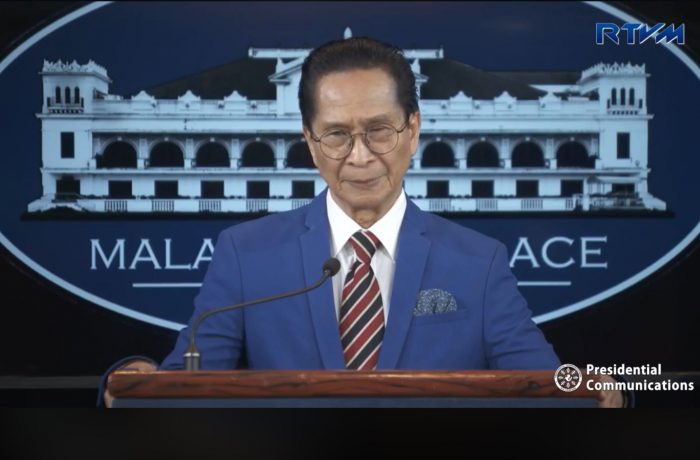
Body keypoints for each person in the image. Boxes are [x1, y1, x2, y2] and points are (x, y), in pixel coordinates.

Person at [101, 37, 624, 408]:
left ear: (413, 131)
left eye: (379, 131)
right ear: (309, 143)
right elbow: (184, 387)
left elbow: (544, 383)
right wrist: (134, 381)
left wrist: (599, 388)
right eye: (336, 135)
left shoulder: (478, 262)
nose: (360, 156)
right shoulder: (245, 254)